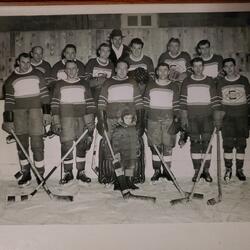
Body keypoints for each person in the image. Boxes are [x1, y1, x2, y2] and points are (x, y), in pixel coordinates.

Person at [2, 52, 51, 187]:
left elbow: (45, 95)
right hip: (19, 114)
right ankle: (26, 173)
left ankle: (40, 174)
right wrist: (8, 120)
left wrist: (47, 113)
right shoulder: (11, 80)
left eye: (28, 62)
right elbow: (9, 102)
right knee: (22, 145)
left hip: (36, 111)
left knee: (37, 144)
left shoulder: (38, 75)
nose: (26, 65)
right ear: (18, 62)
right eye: (23, 62)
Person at [97, 60, 144, 186]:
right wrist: (101, 120)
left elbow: (139, 103)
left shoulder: (132, 82)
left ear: (128, 70)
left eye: (125, 68)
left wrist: (140, 122)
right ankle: (118, 179)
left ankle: (128, 179)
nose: (122, 71)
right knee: (114, 152)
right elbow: (101, 103)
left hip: (129, 120)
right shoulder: (108, 83)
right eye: (120, 68)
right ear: (115, 69)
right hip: (112, 120)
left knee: (130, 152)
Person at [51, 60, 96, 184]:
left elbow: (90, 103)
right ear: (65, 71)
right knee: (66, 145)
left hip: (82, 118)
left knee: (82, 144)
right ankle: (68, 172)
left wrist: (90, 120)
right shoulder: (59, 84)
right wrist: (56, 121)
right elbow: (54, 104)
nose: (71, 71)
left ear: (77, 70)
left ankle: (81, 171)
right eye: (68, 69)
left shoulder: (84, 84)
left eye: (73, 68)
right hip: (66, 118)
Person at [180, 57, 223, 182]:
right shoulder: (187, 81)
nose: (198, 69)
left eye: (200, 66)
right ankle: (197, 171)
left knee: (207, 143)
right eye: (195, 66)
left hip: (207, 117)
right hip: (192, 117)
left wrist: (217, 119)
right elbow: (182, 102)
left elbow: (215, 101)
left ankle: (206, 170)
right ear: (192, 68)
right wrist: (184, 118)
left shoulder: (209, 81)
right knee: (195, 143)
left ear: (203, 67)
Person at [144, 63, 180, 181]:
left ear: (169, 72)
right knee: (155, 146)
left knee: (168, 146)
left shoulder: (173, 86)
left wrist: (176, 119)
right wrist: (145, 118)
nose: (163, 72)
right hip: (153, 120)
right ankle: (157, 171)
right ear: (157, 72)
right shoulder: (150, 85)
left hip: (168, 120)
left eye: (166, 70)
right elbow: (146, 104)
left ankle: (167, 170)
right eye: (161, 70)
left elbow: (176, 105)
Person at [217, 58, 250, 181]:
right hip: (227, 118)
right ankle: (228, 169)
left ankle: (240, 170)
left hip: (242, 117)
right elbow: (219, 103)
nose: (229, 69)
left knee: (241, 144)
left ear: (235, 66)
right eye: (226, 66)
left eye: (231, 66)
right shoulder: (221, 82)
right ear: (223, 69)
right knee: (228, 144)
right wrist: (219, 119)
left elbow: (249, 99)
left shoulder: (244, 80)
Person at [111, 109, 140, 189]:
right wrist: (116, 152)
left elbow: (136, 140)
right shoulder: (119, 129)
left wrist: (137, 148)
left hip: (131, 152)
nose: (128, 120)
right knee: (120, 168)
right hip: (122, 153)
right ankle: (118, 183)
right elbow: (115, 142)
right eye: (126, 118)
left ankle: (129, 181)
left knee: (130, 167)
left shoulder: (133, 128)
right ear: (122, 118)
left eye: (130, 118)